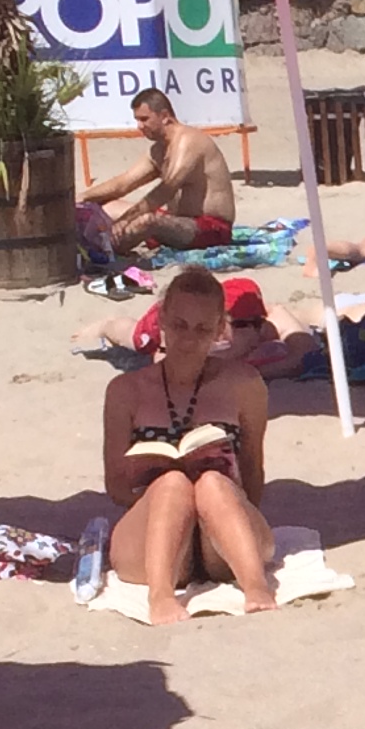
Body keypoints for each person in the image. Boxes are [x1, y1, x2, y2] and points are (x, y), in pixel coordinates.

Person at [99, 266, 281, 623]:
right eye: (179, 325)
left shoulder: (244, 385)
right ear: (162, 321)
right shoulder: (125, 392)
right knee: (172, 484)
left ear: (219, 330)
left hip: (220, 535)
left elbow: (253, 470)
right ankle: (161, 595)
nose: (188, 339)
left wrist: (212, 501)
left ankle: (255, 585)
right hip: (153, 532)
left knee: (212, 483)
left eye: (202, 329)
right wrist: (174, 500)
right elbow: (116, 487)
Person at [81, 87, 238, 253]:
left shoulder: (188, 141)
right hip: (175, 220)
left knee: (147, 221)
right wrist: (82, 197)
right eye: (137, 120)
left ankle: (104, 250)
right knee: (107, 207)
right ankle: (93, 241)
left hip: (209, 227)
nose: (139, 126)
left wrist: (125, 220)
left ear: (164, 116)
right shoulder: (158, 150)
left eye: (144, 119)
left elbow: (167, 189)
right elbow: (123, 183)